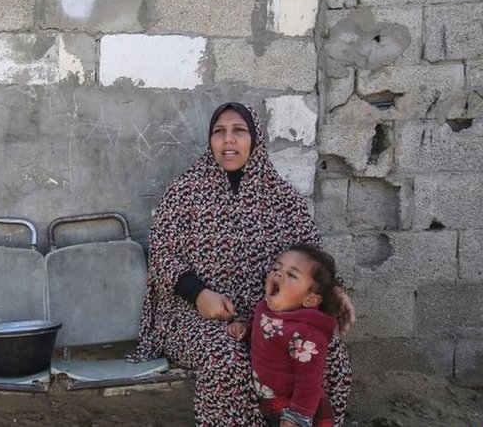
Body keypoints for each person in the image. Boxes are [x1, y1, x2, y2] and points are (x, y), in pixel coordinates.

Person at [130, 102, 354, 426]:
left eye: (239, 131)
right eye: (219, 132)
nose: (228, 140)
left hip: (271, 312)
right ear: (211, 141)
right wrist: (198, 294)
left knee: (328, 355)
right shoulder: (185, 192)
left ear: (255, 139)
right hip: (192, 314)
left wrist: (335, 290)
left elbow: (312, 255)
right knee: (229, 357)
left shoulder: (282, 198)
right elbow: (162, 255)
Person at [227, 245, 341, 427]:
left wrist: (296, 417)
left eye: (292, 275)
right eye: (276, 268)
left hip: (295, 407)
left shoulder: (306, 335)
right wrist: (245, 328)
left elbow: (309, 382)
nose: (279, 274)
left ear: (310, 300)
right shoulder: (265, 308)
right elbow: (265, 331)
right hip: (270, 400)